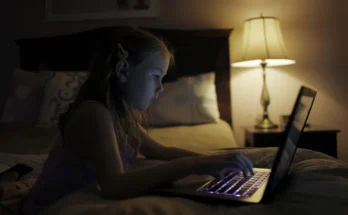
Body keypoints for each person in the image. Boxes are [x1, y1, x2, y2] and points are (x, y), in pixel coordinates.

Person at [21, 26, 254, 214]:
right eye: (155, 77)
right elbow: (114, 186)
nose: (160, 88)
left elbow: (159, 151)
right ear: (123, 70)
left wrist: (212, 160)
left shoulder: (123, 113)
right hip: (52, 205)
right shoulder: (94, 113)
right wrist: (191, 165)